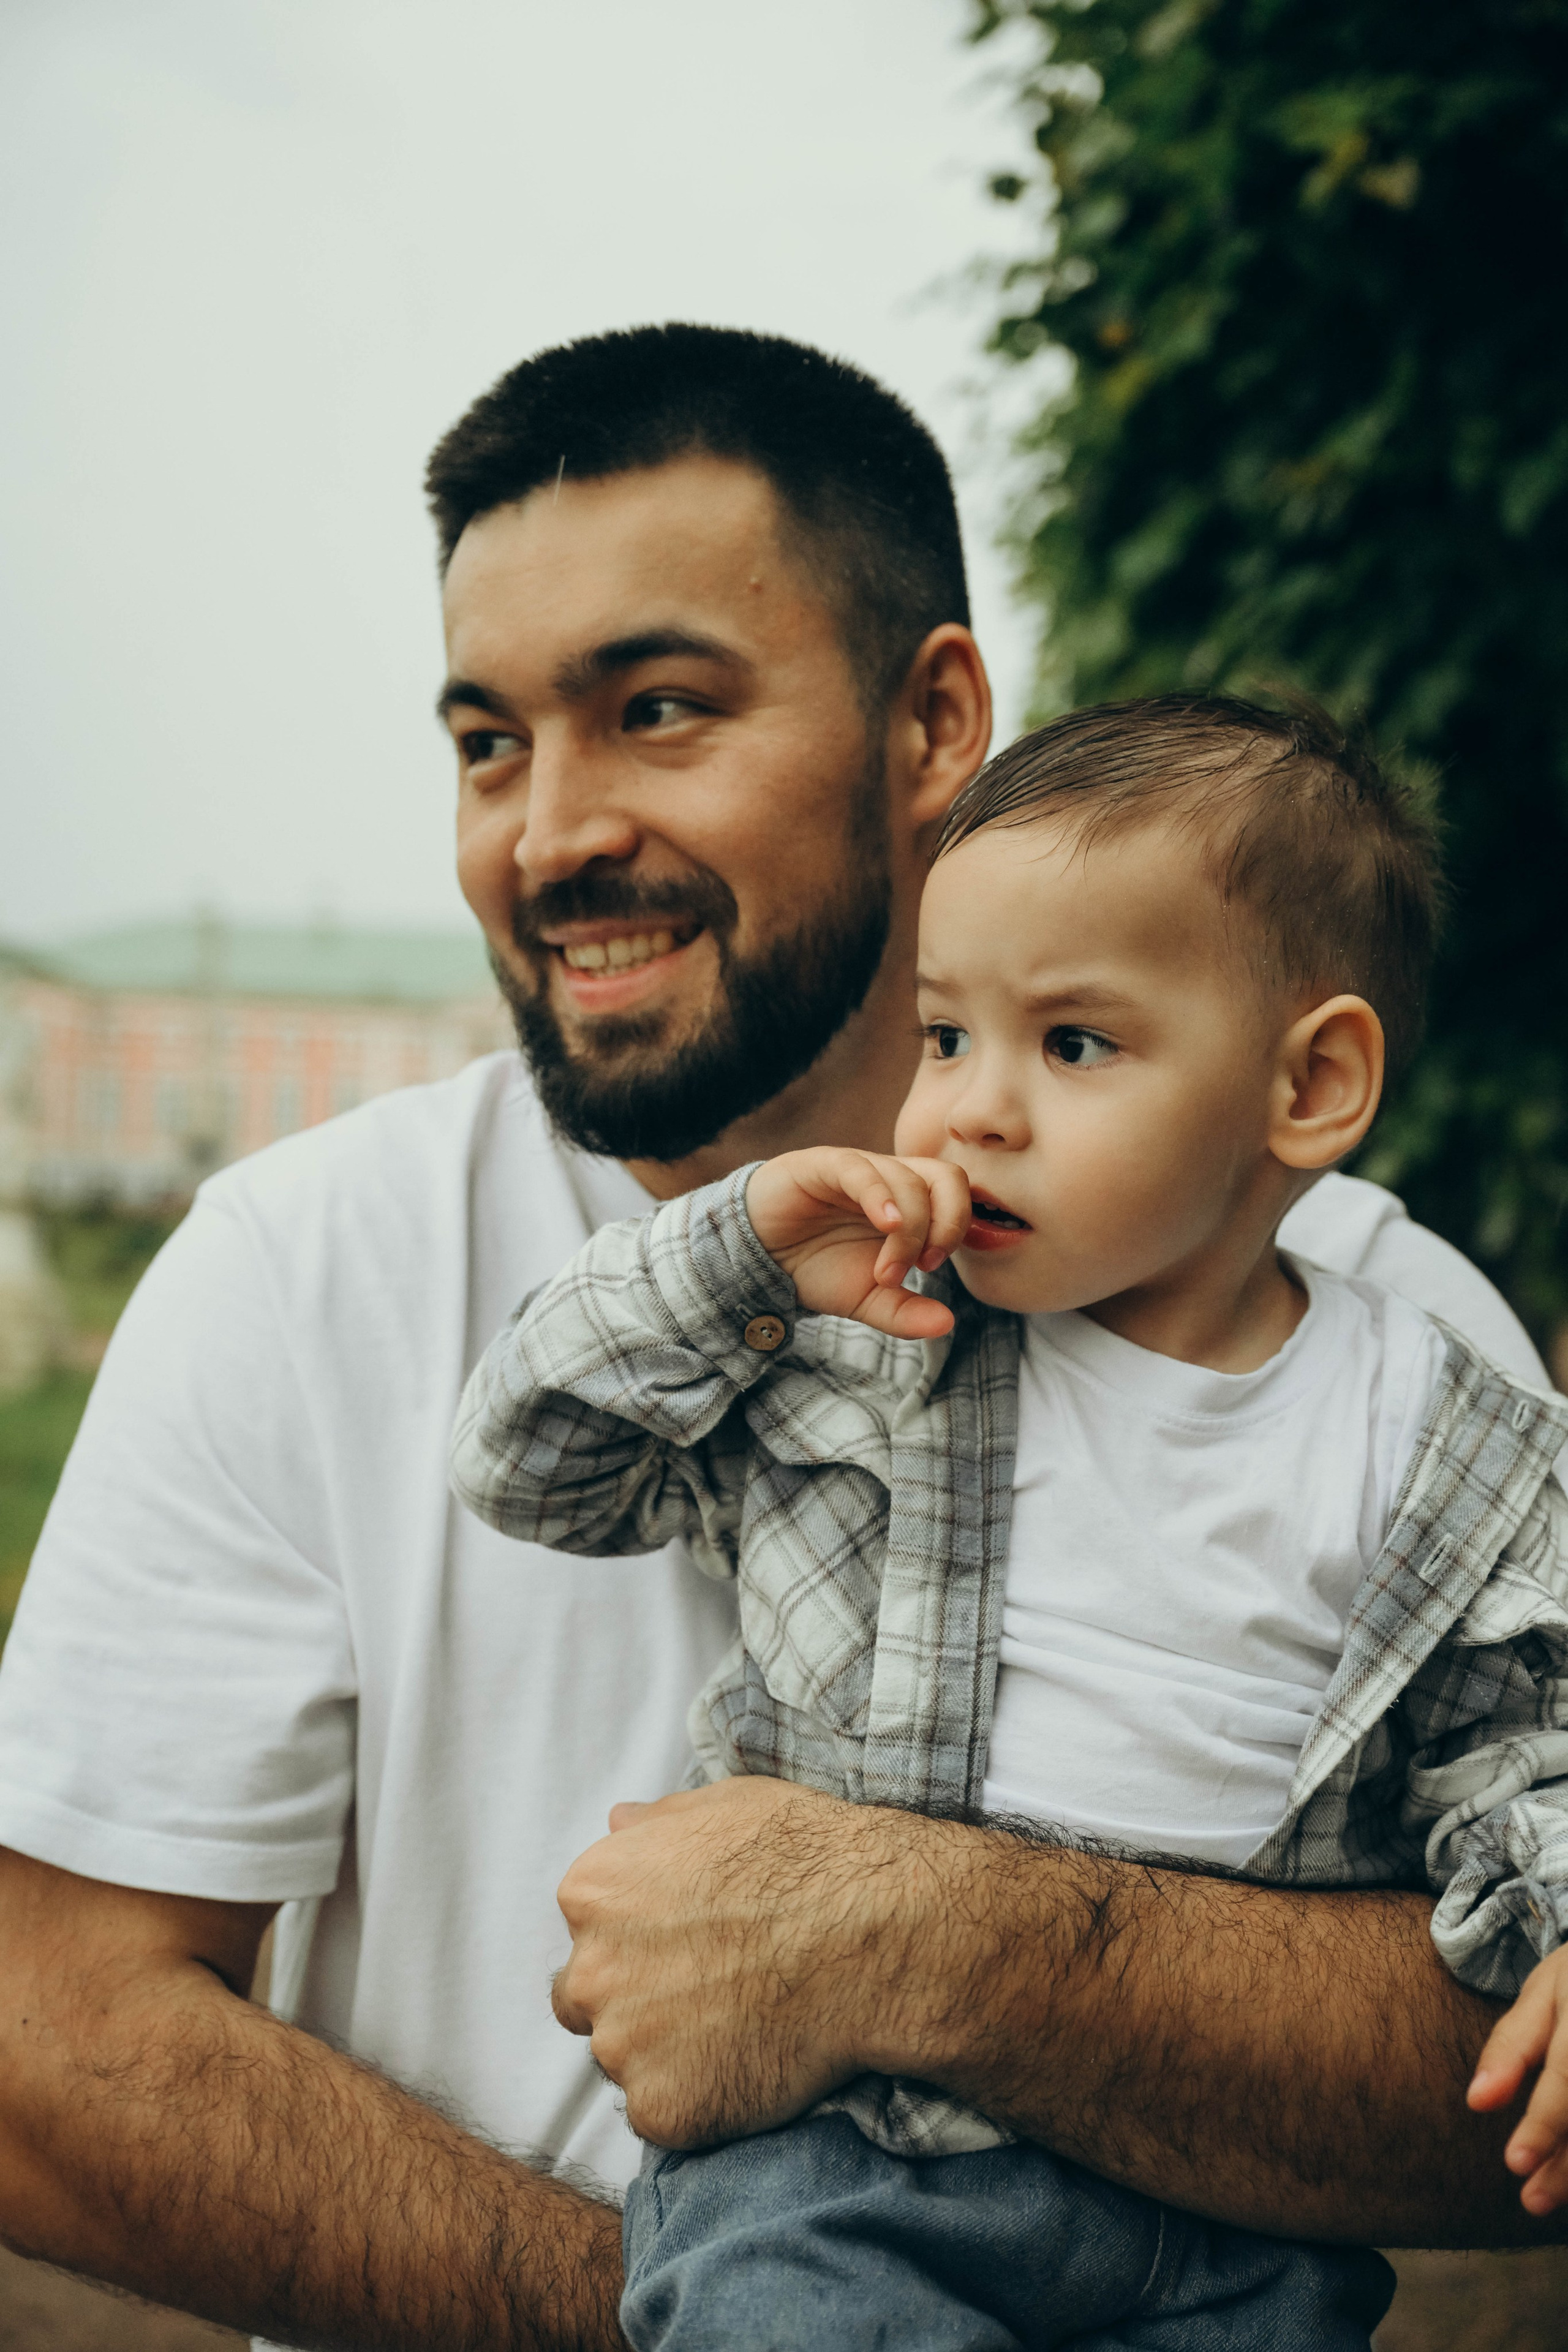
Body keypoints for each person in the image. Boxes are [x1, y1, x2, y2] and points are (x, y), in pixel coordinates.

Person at [0, 328, 1557, 2352]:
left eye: (656, 710)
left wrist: (929, 1945)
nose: (547, 831)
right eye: (487, 743)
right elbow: (46, 2045)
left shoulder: (1392, 1340)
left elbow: (1496, 2096)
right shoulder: (295, 1264)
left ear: (934, 724)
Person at [451, 693, 1568, 2349]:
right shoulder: (870, 1344)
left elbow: (1521, 1748)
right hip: (843, 2171)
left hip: (1233, 2214)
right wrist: (735, 1252)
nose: (968, 1110)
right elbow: (532, 1460)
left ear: (1312, 1085)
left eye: (1075, 1045)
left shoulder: (1444, 1443)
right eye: (947, 1036)